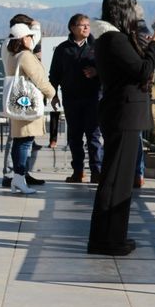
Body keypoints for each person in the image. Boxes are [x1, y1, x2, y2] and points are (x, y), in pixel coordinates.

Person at [87, 0, 155, 256]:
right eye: (133, 7)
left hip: (122, 113)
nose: (137, 12)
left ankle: (109, 237)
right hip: (123, 114)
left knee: (116, 179)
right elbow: (142, 69)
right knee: (116, 180)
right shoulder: (113, 39)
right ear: (122, 9)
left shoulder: (112, 38)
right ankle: (109, 240)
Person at [49, 13, 102, 183]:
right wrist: (53, 95)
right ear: (72, 28)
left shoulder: (97, 47)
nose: (87, 27)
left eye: (88, 24)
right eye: (82, 25)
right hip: (71, 99)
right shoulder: (62, 49)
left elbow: (108, 70)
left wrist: (96, 72)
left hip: (93, 98)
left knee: (93, 136)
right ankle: (78, 172)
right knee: (75, 137)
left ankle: (97, 172)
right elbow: (54, 74)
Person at [3, 23, 55, 194]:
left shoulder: (12, 55)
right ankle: (19, 178)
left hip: (18, 103)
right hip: (28, 105)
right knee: (25, 143)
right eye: (30, 36)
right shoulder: (25, 56)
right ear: (24, 38)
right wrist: (52, 93)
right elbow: (39, 79)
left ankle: (18, 179)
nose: (32, 39)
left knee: (19, 141)